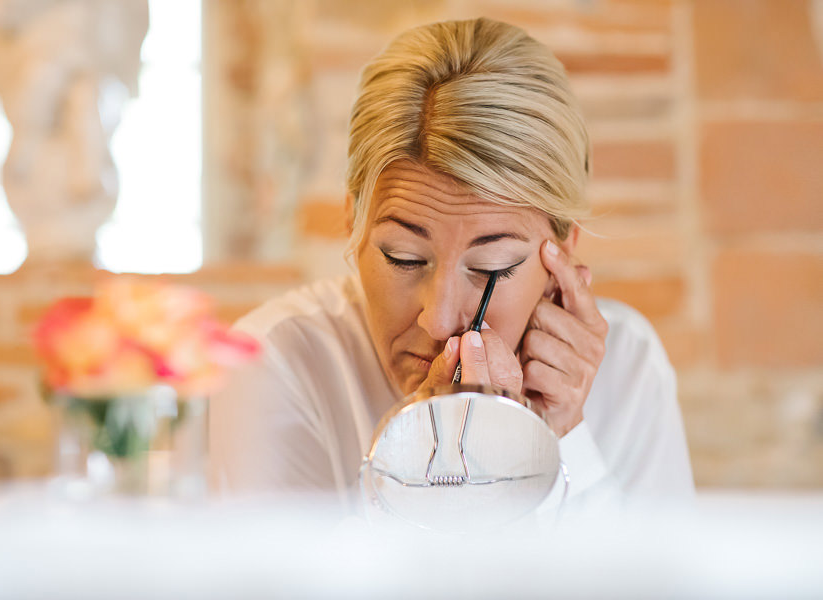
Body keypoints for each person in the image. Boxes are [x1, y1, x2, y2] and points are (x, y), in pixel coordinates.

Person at [210, 18, 694, 510]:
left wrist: (562, 440)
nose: (439, 320)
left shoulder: (629, 367)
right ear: (353, 225)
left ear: (563, 253)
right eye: (404, 258)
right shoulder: (276, 364)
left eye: (491, 269)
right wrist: (425, 460)